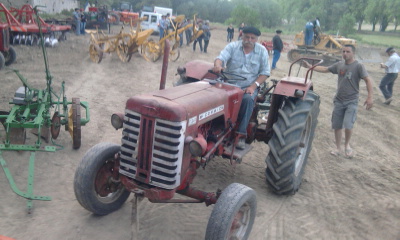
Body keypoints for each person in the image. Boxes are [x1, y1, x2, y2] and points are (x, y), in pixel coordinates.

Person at [303, 45, 373, 158]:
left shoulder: (358, 66)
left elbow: (367, 80)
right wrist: (310, 67)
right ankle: (338, 148)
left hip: (352, 100)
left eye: (348, 51)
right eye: (343, 51)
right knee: (337, 125)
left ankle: (347, 145)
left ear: (353, 53)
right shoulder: (339, 65)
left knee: (348, 125)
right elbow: (325, 69)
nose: (345, 53)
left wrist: (370, 97)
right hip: (339, 100)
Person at [213, 26, 270, 149]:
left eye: (252, 38)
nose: (249, 39)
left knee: (248, 100)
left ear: (256, 39)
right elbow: (220, 58)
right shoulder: (233, 46)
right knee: (212, 96)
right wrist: (218, 65)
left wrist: (253, 87)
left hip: (247, 86)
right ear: (241, 36)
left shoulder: (262, 51)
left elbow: (265, 72)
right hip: (228, 83)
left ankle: (241, 134)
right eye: (246, 36)